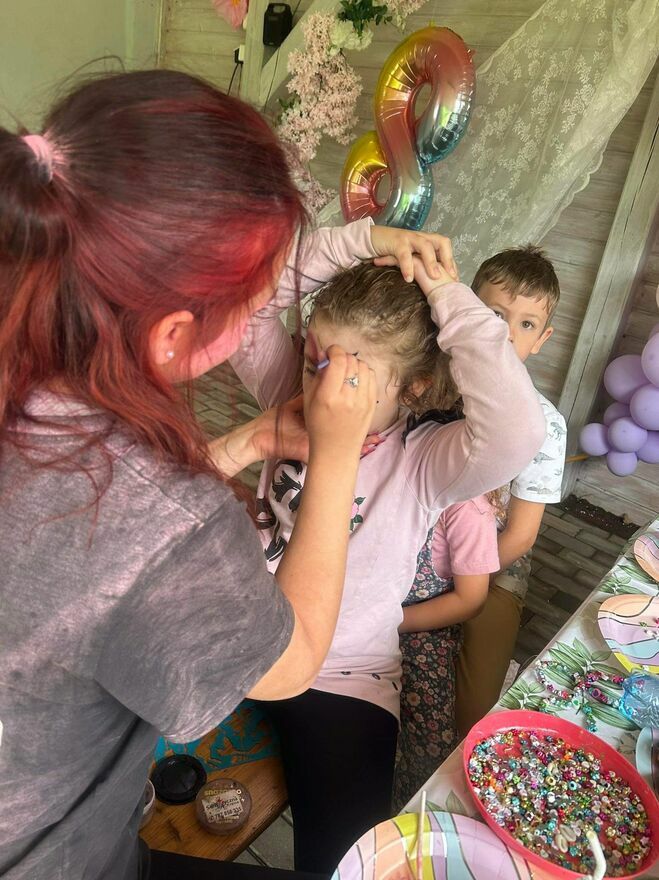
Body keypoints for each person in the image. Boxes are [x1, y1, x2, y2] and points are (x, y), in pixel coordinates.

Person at [0, 69, 452, 880]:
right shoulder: (163, 517)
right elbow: (290, 658)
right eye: (252, 307)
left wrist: (245, 441)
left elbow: (94, 548)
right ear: (174, 335)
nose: (263, 331)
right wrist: (336, 453)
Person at [230, 254, 546, 872]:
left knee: (349, 862)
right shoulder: (288, 400)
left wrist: (444, 289)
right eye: (314, 363)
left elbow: (518, 430)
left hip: (343, 676)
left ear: (413, 387)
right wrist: (366, 238)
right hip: (240, 636)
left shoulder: (425, 460)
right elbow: (248, 301)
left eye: (352, 380)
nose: (321, 391)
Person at [455, 245, 567, 736]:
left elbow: (520, 535)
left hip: (495, 566)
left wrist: (459, 581)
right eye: (495, 314)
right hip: (412, 546)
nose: (505, 332)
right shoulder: (430, 388)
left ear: (542, 339)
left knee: (474, 707)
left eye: (525, 324)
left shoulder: (546, 425)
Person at [392, 491, 501, 810]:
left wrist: (389, 622)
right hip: (366, 609)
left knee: (431, 739)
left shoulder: (468, 508)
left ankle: (408, 811)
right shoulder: (390, 478)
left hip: (422, 623)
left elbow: (470, 600)